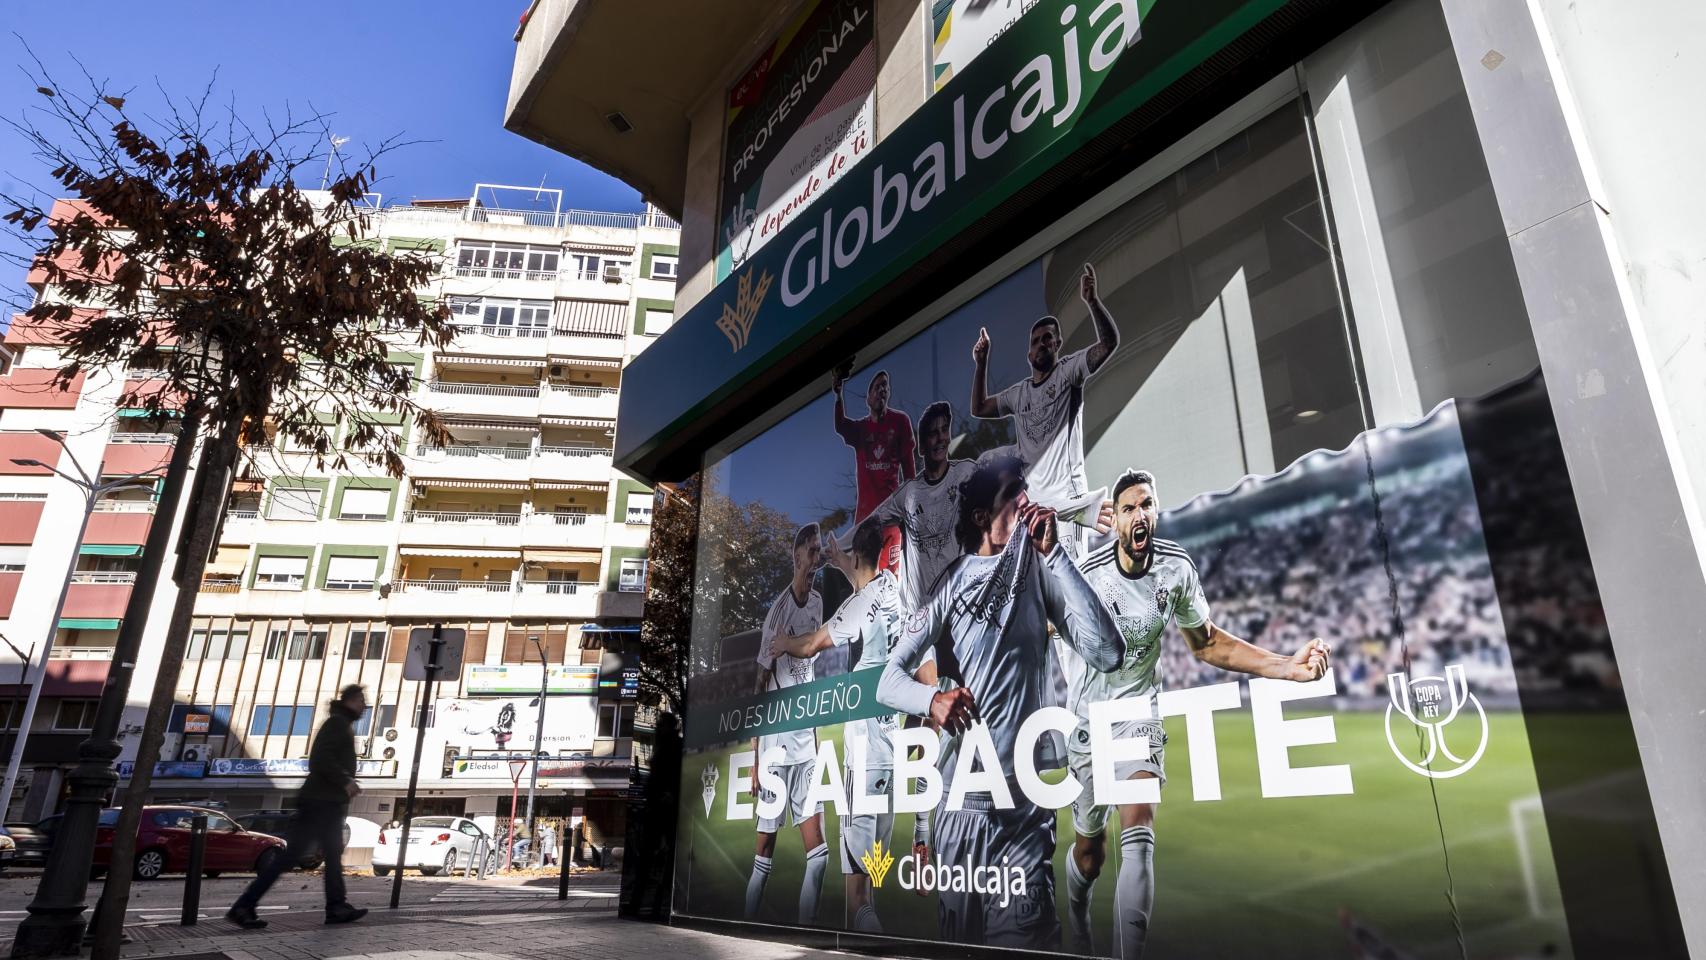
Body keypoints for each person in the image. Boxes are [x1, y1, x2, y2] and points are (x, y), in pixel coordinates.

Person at [1062, 470, 1330, 958]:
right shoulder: (1089, 574)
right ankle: (1077, 915)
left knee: (1139, 826)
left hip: (1139, 716)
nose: (1140, 515)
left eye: (1147, 504)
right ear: (1115, 519)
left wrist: (1285, 667)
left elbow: (1206, 643)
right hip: (1086, 719)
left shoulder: (1175, 569)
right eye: (1128, 508)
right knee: (1090, 854)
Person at [878, 456, 1122, 950]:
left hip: (1023, 813)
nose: (1025, 501)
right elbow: (888, 679)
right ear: (980, 518)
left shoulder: (1039, 563)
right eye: (1013, 494)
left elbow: (1108, 652)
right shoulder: (948, 586)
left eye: (1025, 490)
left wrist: (1056, 557)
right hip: (959, 809)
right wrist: (933, 701)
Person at [772, 518, 938, 934]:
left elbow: (810, 644)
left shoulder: (860, 605)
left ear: (861, 555)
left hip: (862, 762)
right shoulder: (910, 605)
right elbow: (930, 685)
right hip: (889, 763)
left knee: (858, 899)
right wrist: (922, 826)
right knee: (872, 884)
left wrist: (781, 644)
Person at [970, 263, 1120, 554]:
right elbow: (978, 408)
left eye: (1048, 339)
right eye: (1036, 341)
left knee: (1071, 582)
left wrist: (1092, 302)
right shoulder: (1019, 393)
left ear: (1058, 344)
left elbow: (1108, 343)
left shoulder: (1068, 372)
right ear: (1029, 353)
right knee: (1041, 591)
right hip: (1034, 510)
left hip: (1071, 504)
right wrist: (981, 363)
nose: (1041, 344)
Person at [227, 685, 369, 928]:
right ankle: (244, 906)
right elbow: (319, 759)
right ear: (350, 701)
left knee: (332, 855)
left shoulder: (341, 724)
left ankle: (336, 906)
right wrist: (345, 780)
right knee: (294, 856)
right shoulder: (336, 723)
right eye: (361, 701)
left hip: (327, 803)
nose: (364, 706)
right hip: (321, 803)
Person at [745, 524, 829, 923]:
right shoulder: (776, 615)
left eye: (818, 552)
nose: (816, 559)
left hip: (806, 744)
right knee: (764, 853)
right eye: (811, 552)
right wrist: (756, 757)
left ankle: (806, 937)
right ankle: (745, 925)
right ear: (796, 557)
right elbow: (760, 686)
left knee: (819, 856)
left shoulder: (817, 602)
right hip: (777, 749)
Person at [834, 366, 916, 571]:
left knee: (891, 577)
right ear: (868, 398)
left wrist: (914, 507)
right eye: (878, 386)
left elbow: (909, 468)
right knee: (866, 581)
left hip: (891, 520)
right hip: (864, 522)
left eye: (885, 386)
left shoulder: (900, 422)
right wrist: (838, 394)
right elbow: (841, 426)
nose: (883, 390)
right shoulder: (861, 429)